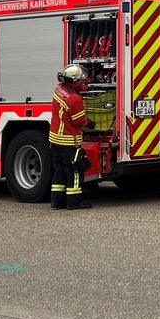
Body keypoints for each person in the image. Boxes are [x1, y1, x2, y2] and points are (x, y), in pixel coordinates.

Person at [48, 64, 92, 210]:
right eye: (80, 80)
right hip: (69, 142)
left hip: (55, 140)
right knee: (74, 172)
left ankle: (57, 202)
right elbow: (79, 121)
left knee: (59, 172)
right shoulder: (75, 99)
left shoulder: (59, 89)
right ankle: (74, 202)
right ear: (74, 81)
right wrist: (89, 123)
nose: (82, 82)